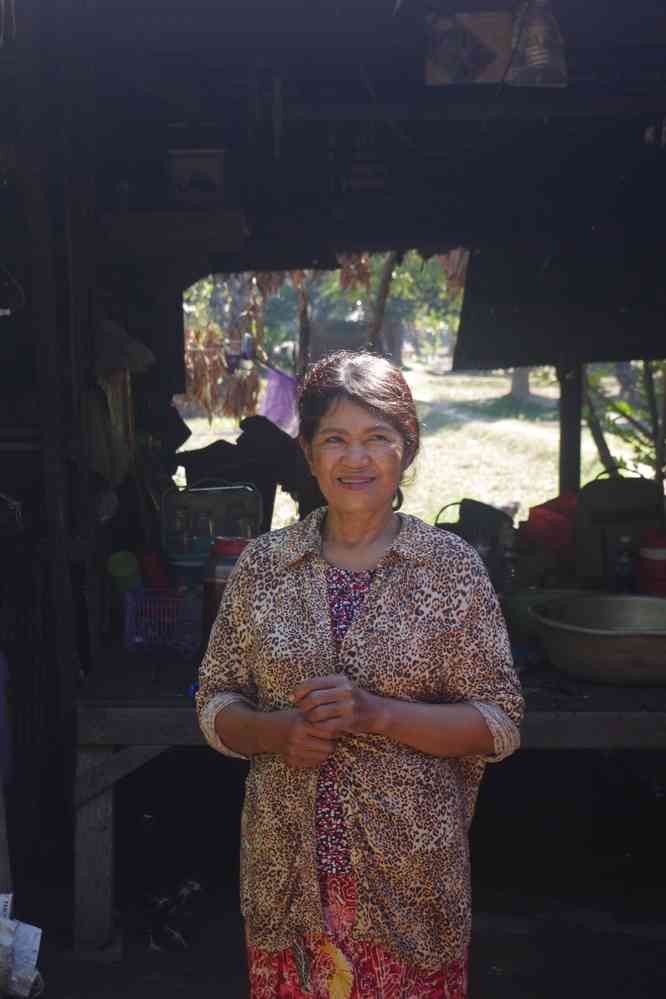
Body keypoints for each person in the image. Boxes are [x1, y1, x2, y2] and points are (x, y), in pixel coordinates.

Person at [197, 350, 524, 999]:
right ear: (310, 452)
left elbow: (498, 723)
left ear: (407, 449)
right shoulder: (266, 567)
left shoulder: (449, 569)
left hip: (410, 884)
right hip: (286, 885)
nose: (357, 459)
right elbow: (214, 699)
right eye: (336, 440)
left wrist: (379, 714)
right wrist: (274, 732)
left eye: (378, 438)